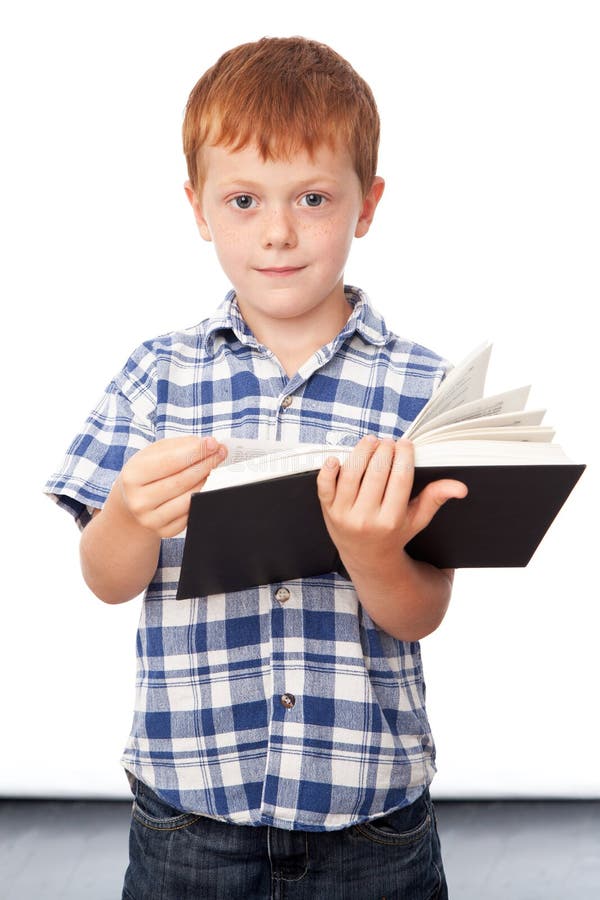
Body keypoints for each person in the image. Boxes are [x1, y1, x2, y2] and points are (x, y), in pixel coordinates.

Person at [44, 36, 467, 900]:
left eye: (312, 197)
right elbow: (104, 577)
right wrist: (128, 516)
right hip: (191, 814)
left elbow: (421, 613)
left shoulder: (423, 388)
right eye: (243, 200)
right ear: (198, 207)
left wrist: (374, 550)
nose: (278, 231)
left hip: (371, 819)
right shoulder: (155, 374)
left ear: (367, 203)